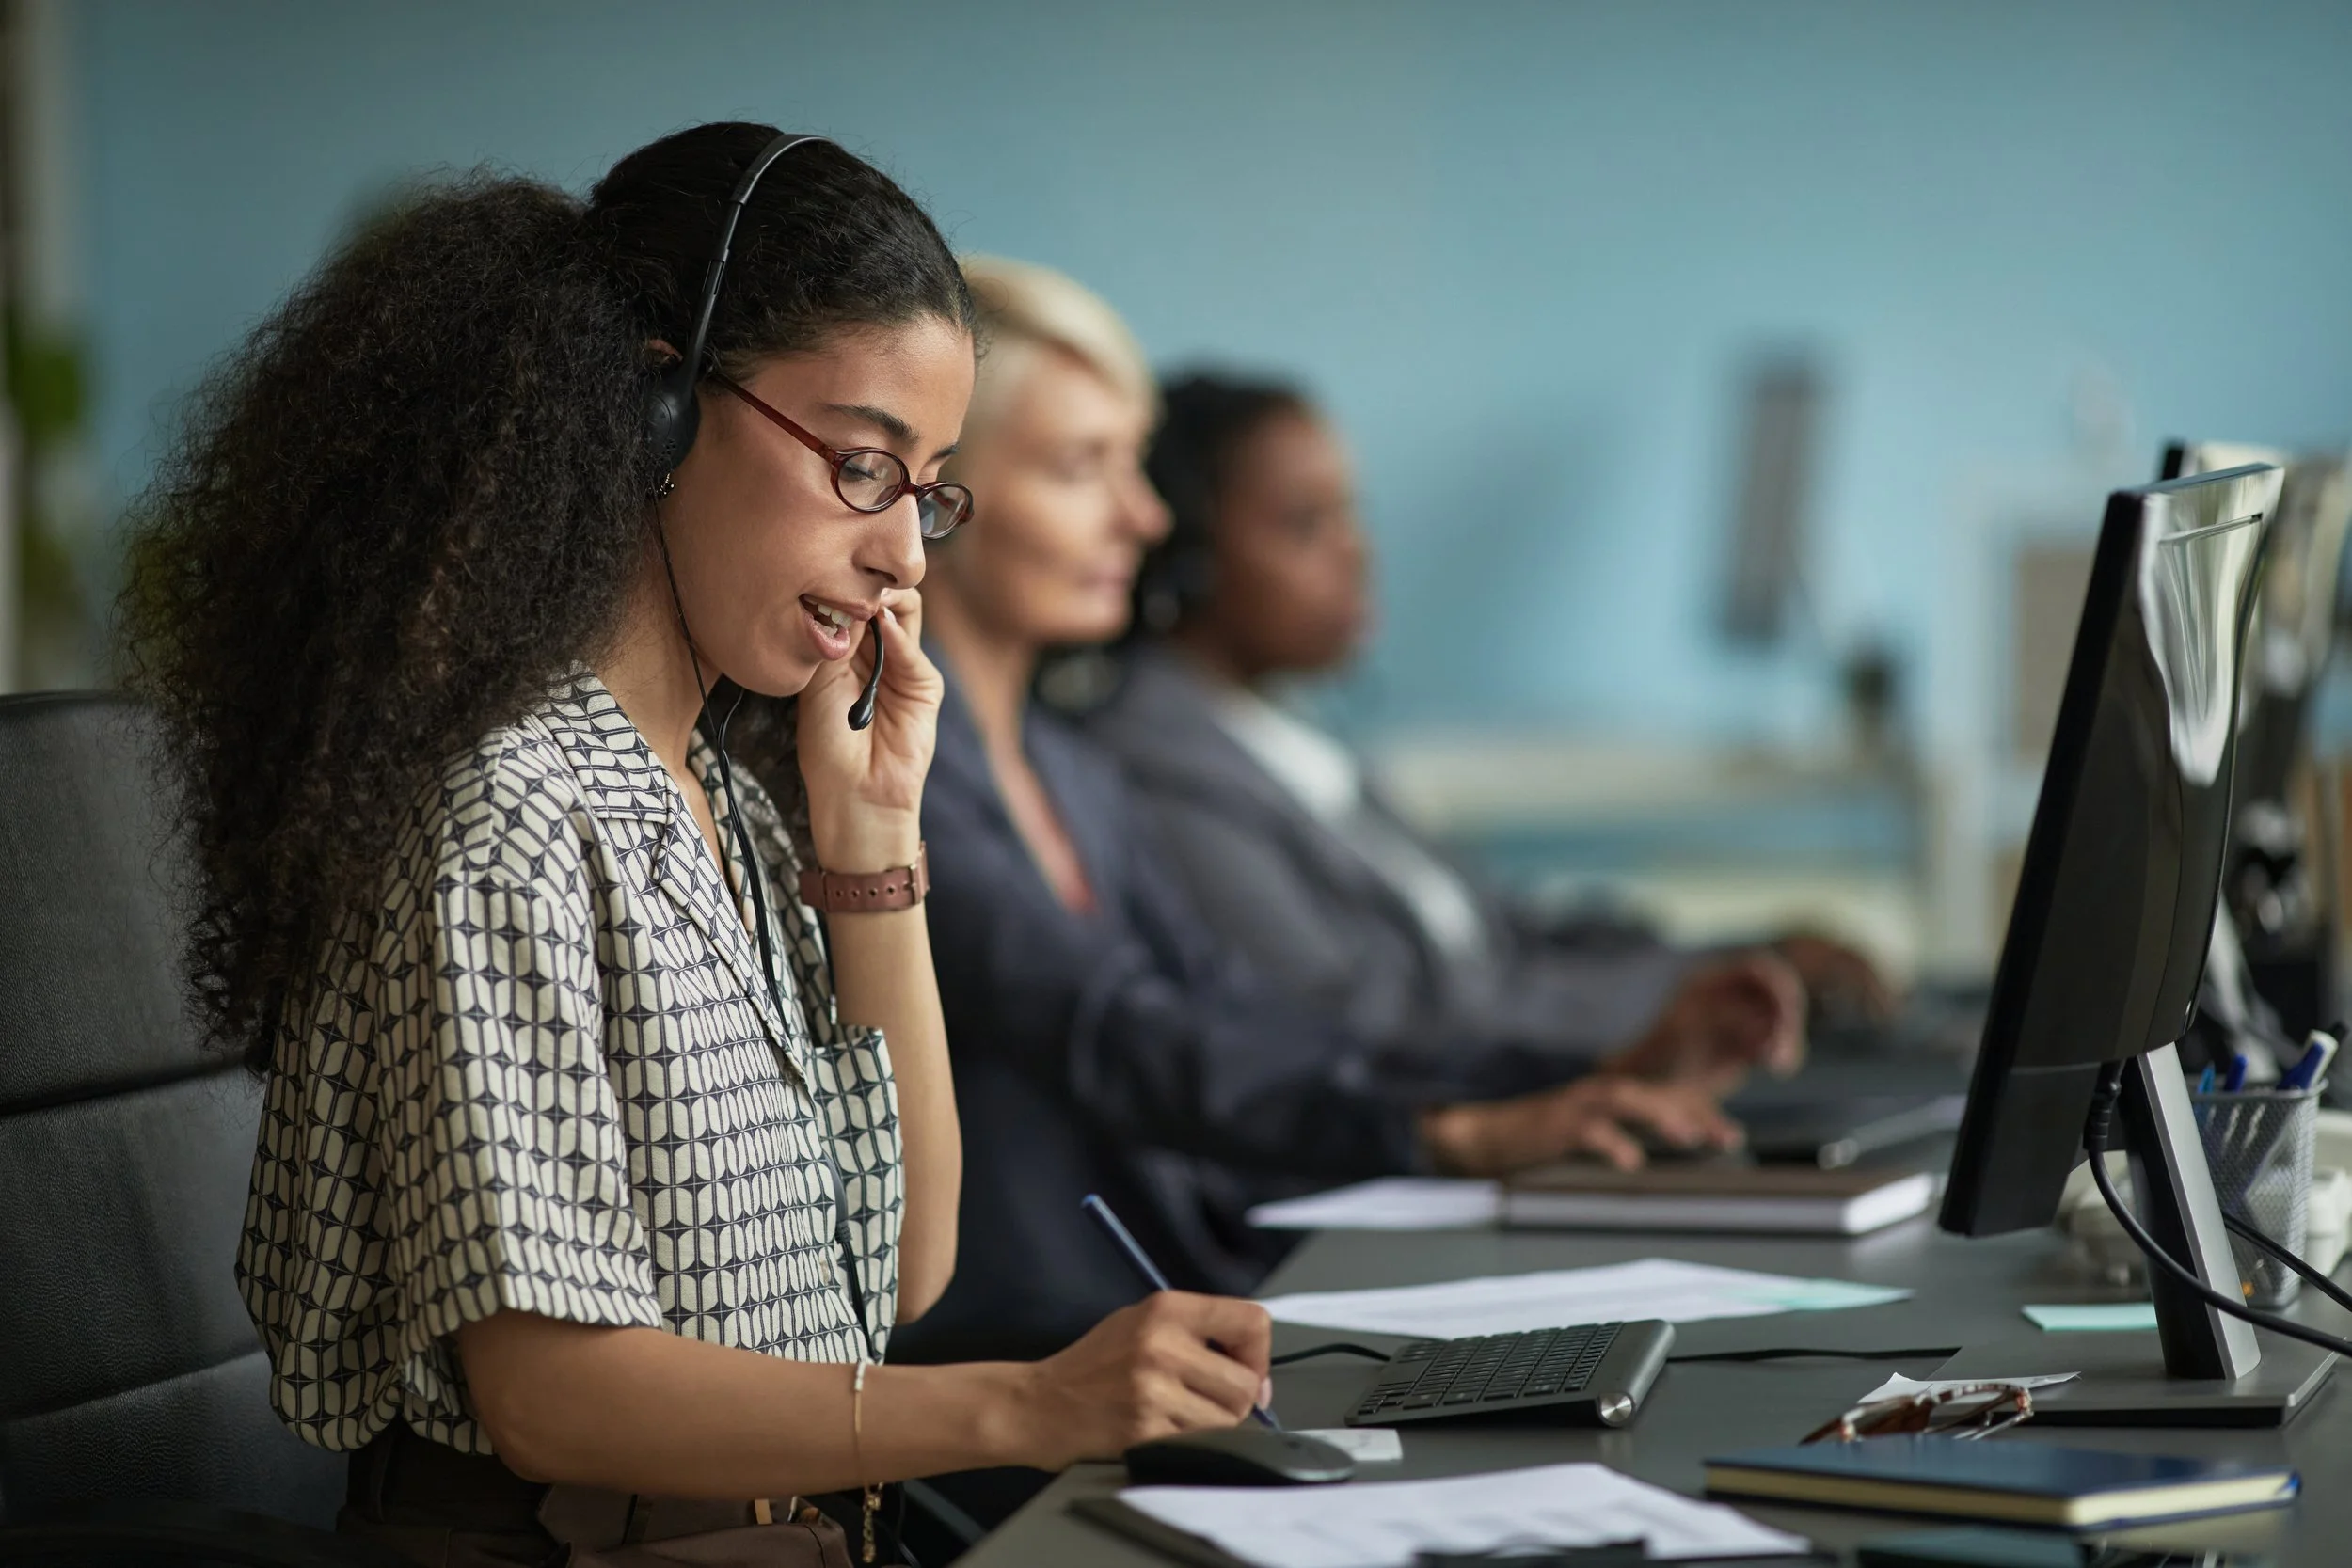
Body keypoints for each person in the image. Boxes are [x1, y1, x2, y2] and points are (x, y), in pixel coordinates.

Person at [120, 127, 1278, 1567]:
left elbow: (907, 1264)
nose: (908, 553)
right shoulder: (506, 822)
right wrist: (1030, 1403)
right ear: (652, 408)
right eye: (862, 467)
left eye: (928, 488)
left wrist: (870, 842)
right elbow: (556, 1392)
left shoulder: (719, 791)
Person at [900, 258, 1769, 1369]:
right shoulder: (902, 776)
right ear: (937, 493)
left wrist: (1542, 1089)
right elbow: (1120, 1030)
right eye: (1083, 468)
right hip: (1035, 1357)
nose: (1145, 515)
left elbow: (1238, 1008)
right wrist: (1446, 1132)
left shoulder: (1069, 769)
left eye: (1135, 465)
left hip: (1177, 1305)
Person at [1089, 372, 1894, 1094]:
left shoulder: (1291, 740)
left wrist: (1741, 959)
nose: (1356, 550)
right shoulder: (1164, 766)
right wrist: (1690, 993)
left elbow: (1501, 934)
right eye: (1305, 524)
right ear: (1184, 559)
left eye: (1350, 514)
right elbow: (1373, 1016)